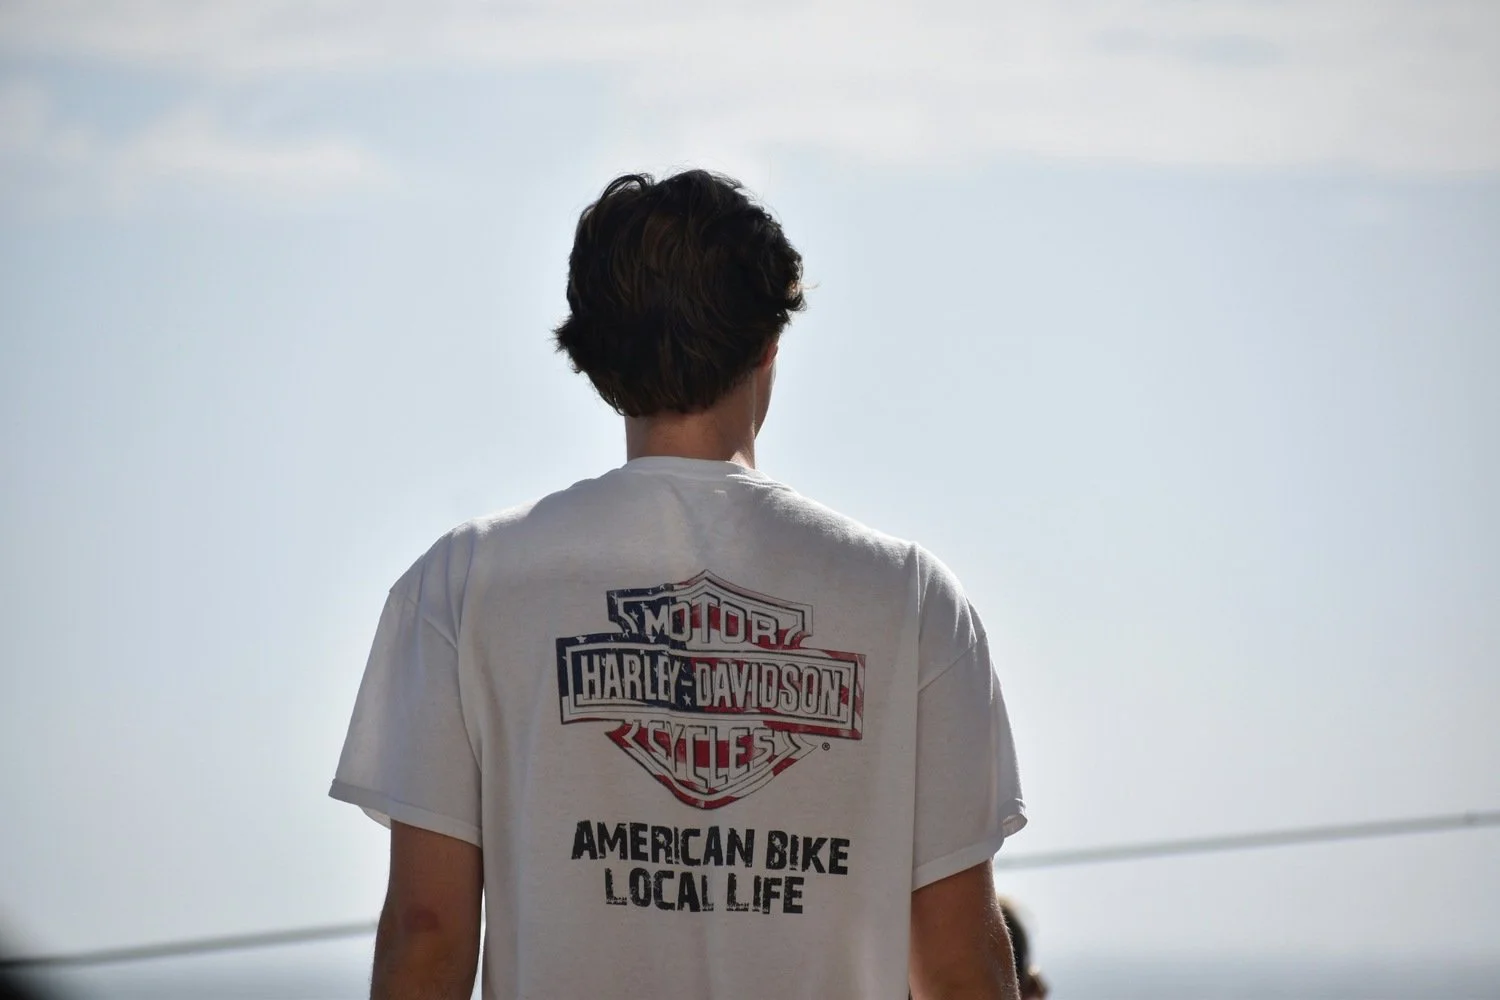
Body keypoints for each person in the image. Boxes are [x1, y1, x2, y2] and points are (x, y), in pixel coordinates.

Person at [329, 169, 1028, 999]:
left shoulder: (464, 584)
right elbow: (959, 965)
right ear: (769, 345)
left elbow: (428, 935)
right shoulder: (910, 600)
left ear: (596, 356)